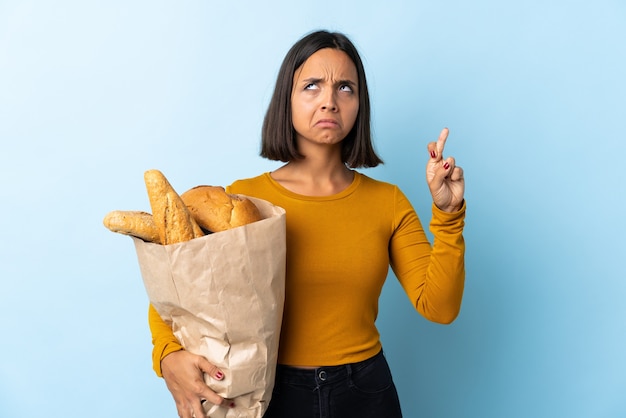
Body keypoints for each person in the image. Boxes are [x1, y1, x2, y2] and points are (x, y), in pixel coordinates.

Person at [148, 29, 466, 418]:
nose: (329, 101)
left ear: (359, 104)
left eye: (345, 88)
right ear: (288, 98)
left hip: (365, 393)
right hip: (265, 392)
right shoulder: (241, 202)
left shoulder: (388, 202)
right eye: (312, 86)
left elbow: (440, 307)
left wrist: (448, 215)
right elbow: (177, 289)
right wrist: (167, 355)